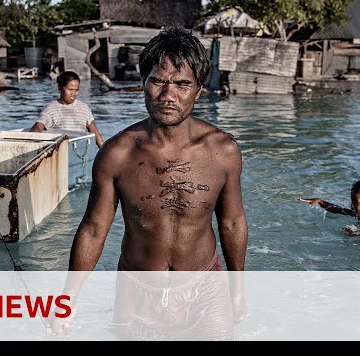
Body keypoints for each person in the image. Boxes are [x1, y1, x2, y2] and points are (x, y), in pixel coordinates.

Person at [50, 24, 248, 339]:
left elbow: (233, 222)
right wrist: (67, 299)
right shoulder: (117, 154)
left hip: (204, 291)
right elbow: (93, 229)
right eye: (157, 80)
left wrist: (237, 289)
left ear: (198, 90)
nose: (168, 95)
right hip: (137, 291)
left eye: (182, 84)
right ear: (143, 83)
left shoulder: (223, 151)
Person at [29, 70, 104, 148]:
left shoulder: (84, 108)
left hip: (79, 151)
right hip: (58, 152)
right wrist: (32, 141)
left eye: (76, 90)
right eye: (70, 90)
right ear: (60, 88)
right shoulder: (50, 109)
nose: (74, 94)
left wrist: (103, 150)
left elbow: (95, 132)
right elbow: (38, 127)